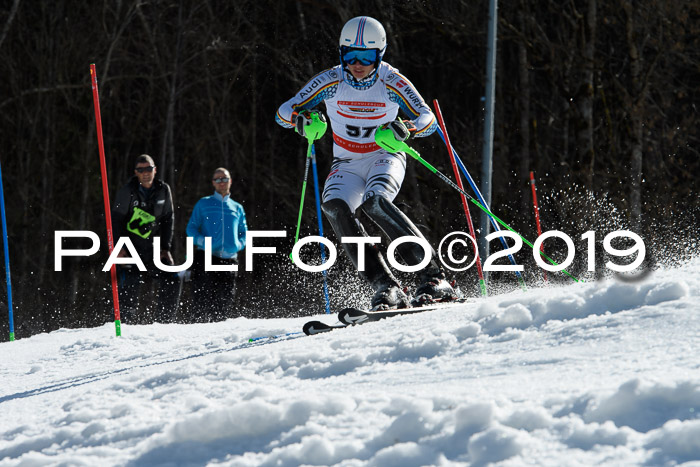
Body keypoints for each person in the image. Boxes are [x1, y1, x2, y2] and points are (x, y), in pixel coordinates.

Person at [276, 16, 456, 310]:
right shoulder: (331, 81)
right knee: (334, 207)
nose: (357, 64)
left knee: (375, 202)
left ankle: (435, 277)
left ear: (379, 55)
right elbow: (284, 110)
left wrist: (407, 128)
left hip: (384, 156)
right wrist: (300, 119)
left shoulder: (391, 81)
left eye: (367, 56)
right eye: (350, 55)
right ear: (341, 53)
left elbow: (428, 119)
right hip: (346, 161)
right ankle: (386, 286)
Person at [112, 154, 182, 323]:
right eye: (141, 170)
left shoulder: (163, 190)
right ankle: (123, 323)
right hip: (130, 248)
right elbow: (116, 220)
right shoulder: (127, 191)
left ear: (155, 170)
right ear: (136, 172)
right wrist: (120, 247)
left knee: (173, 278)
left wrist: (165, 248)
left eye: (149, 169)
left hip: (153, 248)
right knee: (130, 283)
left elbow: (168, 219)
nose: (145, 173)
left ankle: (164, 322)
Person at [186, 168, 247, 322]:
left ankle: (216, 337)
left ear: (230, 181)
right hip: (206, 256)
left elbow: (244, 233)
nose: (221, 182)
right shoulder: (204, 203)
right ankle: (196, 331)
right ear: (213, 182)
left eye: (224, 178)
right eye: (218, 179)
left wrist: (238, 245)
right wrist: (202, 241)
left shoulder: (237, 207)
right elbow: (191, 228)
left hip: (229, 258)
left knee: (224, 301)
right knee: (201, 298)